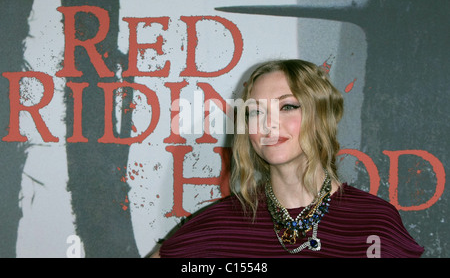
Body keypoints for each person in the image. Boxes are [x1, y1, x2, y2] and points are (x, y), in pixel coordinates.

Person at [152, 59, 424, 258]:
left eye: (288, 107)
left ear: (321, 118)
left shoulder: (374, 221)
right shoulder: (222, 223)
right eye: (256, 112)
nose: (268, 125)